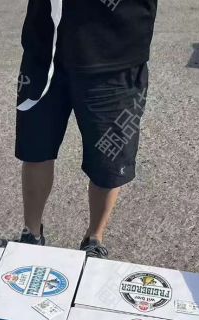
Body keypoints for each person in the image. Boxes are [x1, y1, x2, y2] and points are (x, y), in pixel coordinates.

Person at [16, 0, 158, 257]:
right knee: (35, 150)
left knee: (108, 165)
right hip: (45, 49)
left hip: (116, 56)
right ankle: (31, 234)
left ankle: (94, 239)